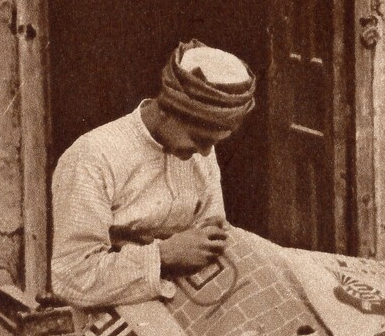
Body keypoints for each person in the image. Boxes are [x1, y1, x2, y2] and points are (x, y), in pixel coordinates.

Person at [50, 40, 255, 307]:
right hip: (108, 309)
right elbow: (72, 278)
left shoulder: (197, 152)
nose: (205, 153)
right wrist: (164, 254)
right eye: (199, 139)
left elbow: (211, 229)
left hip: (187, 300)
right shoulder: (93, 156)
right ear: (168, 110)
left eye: (214, 143)